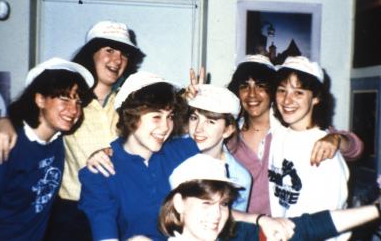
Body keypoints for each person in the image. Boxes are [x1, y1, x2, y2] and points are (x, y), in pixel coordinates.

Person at [80, 71, 295, 241]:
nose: (165, 127)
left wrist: (259, 220)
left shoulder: (178, 151)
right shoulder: (101, 173)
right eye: (156, 117)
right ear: (130, 118)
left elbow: (212, 206)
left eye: (170, 116)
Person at [0, 20, 145, 241]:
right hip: (71, 214)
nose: (117, 59)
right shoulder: (69, 102)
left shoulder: (128, 102)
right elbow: (30, 114)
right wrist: (3, 122)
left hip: (118, 211)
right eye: (109, 50)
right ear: (91, 54)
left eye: (124, 53)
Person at [160, 154, 381, 241]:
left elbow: (308, 227)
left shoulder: (235, 235)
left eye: (223, 204)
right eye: (206, 203)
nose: (216, 215)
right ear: (180, 203)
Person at [224, 54, 363, 215]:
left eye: (261, 85)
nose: (252, 94)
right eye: (244, 86)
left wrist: (337, 139)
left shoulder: (292, 131)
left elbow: (355, 148)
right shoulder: (229, 134)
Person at [0, 58, 93, 241]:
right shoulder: (4, 146)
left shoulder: (57, 141)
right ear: (40, 99)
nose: (73, 109)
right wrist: (3, 123)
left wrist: (4, 120)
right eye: (65, 98)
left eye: (78, 102)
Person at [268, 56, 349, 239]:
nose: (287, 100)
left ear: (316, 98)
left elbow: (330, 223)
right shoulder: (279, 134)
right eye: (282, 90)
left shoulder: (324, 150)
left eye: (298, 93)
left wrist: (336, 138)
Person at [186, 84, 251, 211]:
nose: (198, 129)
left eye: (210, 121)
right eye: (194, 118)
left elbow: (234, 224)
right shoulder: (174, 157)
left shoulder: (239, 177)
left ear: (228, 130)